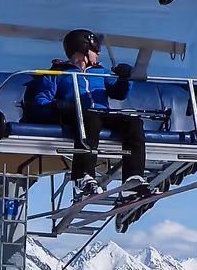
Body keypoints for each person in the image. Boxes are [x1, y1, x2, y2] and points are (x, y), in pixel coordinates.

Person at [23, 29, 150, 200]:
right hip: (73, 114)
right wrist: (59, 106)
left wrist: (125, 78)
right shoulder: (57, 73)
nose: (98, 53)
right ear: (82, 48)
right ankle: (82, 176)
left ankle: (133, 179)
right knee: (90, 119)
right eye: (95, 48)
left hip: (100, 113)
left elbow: (119, 93)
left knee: (133, 123)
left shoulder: (100, 72)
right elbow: (41, 101)